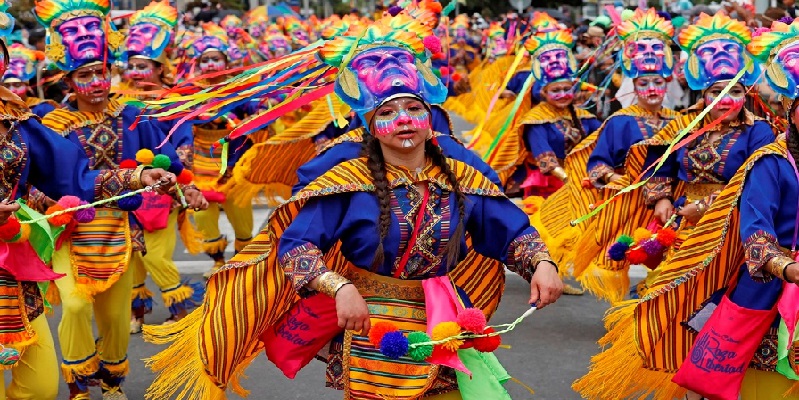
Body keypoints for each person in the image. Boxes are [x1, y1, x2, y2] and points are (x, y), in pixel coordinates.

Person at [143, 13, 563, 400]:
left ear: (430, 116)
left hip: (444, 316)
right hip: (371, 322)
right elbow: (298, 246)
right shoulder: (348, 182)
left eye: (414, 108)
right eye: (389, 111)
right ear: (369, 122)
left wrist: (540, 262)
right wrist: (338, 287)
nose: (403, 119)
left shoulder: (460, 176)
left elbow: (508, 228)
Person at [572, 13, 782, 400]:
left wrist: (709, 208)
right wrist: (663, 197)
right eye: (714, 92)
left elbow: (755, 184)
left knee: (718, 305)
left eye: (732, 91)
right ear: (701, 93)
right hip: (683, 229)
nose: (723, 101)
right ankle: (682, 375)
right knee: (676, 302)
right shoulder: (687, 125)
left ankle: (713, 378)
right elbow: (659, 165)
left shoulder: (760, 132)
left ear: (745, 93)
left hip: (732, 230)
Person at [0, 4, 178, 399]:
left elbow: (71, 175)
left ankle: (110, 382)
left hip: (104, 227)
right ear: (68, 80)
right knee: (76, 309)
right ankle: (79, 385)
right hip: (68, 230)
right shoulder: (50, 120)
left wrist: (142, 177)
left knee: (107, 325)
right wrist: (53, 206)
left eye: (102, 72)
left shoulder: (19, 123)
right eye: (85, 74)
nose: (97, 82)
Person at [556, 9, 681, 303]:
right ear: (633, 86)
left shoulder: (681, 119)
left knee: (670, 258)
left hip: (673, 203)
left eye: (658, 83)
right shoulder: (620, 121)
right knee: (629, 254)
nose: (652, 89)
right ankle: (629, 311)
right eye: (643, 84)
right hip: (630, 202)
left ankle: (654, 305)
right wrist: (617, 178)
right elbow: (598, 163)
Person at [119, 0, 206, 333]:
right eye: (133, 66)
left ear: (159, 68)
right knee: (134, 257)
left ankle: (181, 306)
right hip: (126, 185)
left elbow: (184, 144)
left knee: (155, 254)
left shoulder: (174, 102)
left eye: (145, 66)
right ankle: (137, 312)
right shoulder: (119, 102)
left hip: (163, 185)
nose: (138, 72)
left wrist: (173, 174)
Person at [2, 43, 58, 118]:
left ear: (27, 86)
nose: (11, 90)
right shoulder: (2, 109)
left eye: (17, 85)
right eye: (6, 86)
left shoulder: (43, 108)